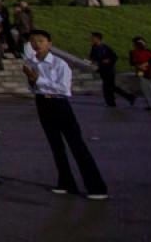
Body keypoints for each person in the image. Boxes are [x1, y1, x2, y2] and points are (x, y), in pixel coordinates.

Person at [22, 30, 108, 199]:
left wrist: (38, 80)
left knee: (76, 144)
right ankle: (66, 182)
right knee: (56, 146)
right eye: (33, 41)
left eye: (40, 40)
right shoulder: (32, 63)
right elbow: (34, 88)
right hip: (42, 103)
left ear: (49, 44)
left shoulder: (59, 64)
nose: (37, 44)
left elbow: (64, 88)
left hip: (59, 104)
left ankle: (96, 186)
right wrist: (32, 81)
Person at [87, 32, 135, 107]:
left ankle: (112, 103)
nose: (91, 39)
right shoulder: (94, 47)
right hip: (102, 69)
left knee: (107, 87)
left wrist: (108, 60)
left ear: (97, 38)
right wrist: (91, 61)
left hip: (109, 70)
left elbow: (115, 57)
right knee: (111, 87)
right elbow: (92, 57)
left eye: (93, 37)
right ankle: (128, 97)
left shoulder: (105, 47)